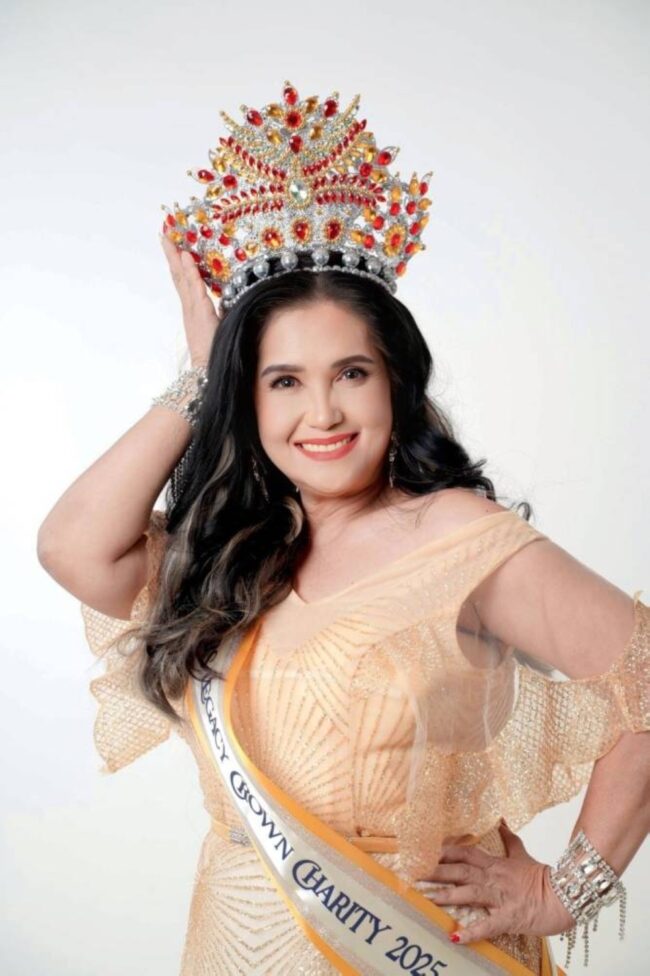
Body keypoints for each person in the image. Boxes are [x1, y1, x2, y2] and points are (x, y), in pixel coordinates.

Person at [37, 82, 649, 976]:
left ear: (395, 381)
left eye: (351, 373)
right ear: (246, 399)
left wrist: (565, 891)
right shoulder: (227, 552)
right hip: (240, 939)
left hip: (420, 944)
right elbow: (73, 547)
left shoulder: (460, 538)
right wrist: (201, 373)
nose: (321, 412)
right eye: (283, 380)